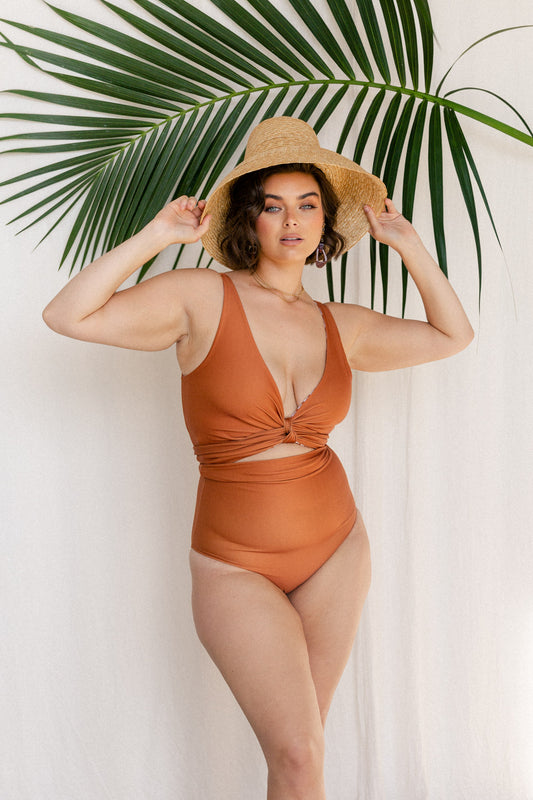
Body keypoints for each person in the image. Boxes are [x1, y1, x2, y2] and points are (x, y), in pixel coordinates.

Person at [42, 116, 474, 800]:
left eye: (306, 205)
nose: (291, 220)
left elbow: (452, 335)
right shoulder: (198, 297)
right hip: (234, 563)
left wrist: (411, 248)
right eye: (272, 205)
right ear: (250, 220)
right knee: (299, 752)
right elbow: (68, 316)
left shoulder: (343, 324)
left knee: (301, 755)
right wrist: (158, 236)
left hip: (336, 551)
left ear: (325, 221)